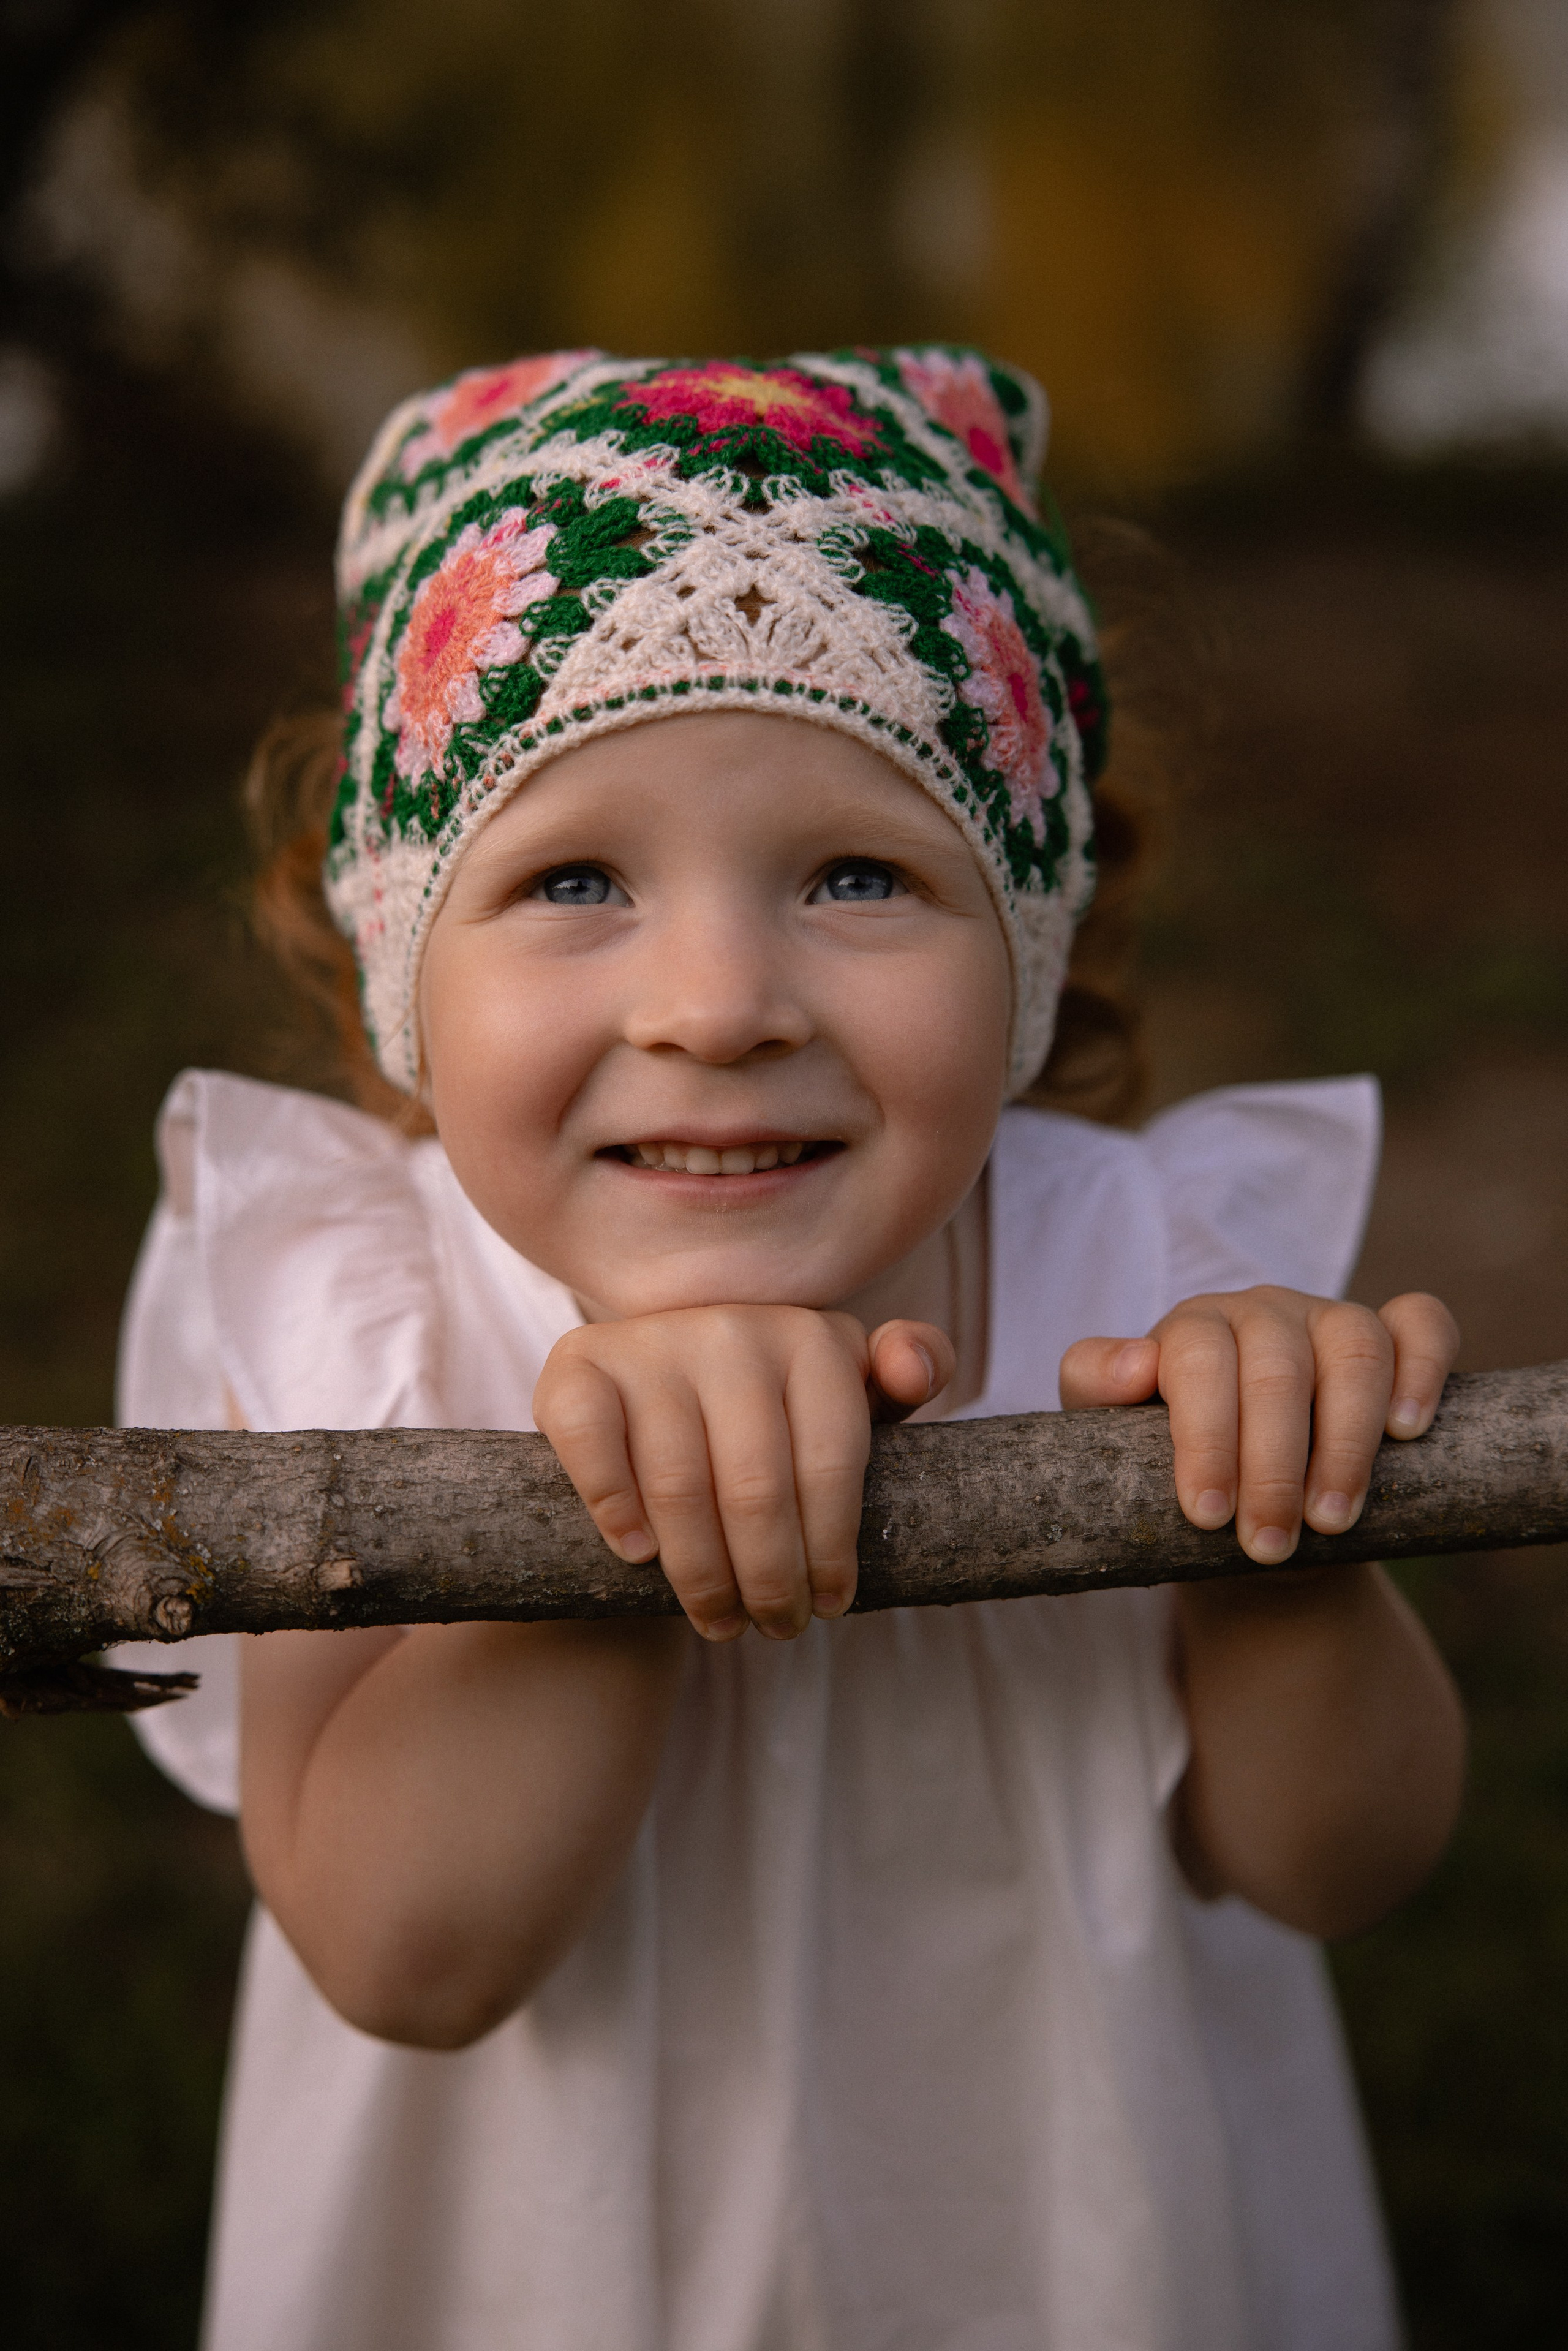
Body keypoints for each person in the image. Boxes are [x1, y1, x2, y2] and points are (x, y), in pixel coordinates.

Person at [113, 347, 1465, 2351]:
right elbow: (406, 1952)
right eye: (574, 878)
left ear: (1024, 946)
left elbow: (1331, 1867)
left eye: (858, 876)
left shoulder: (1142, 1279)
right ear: (406, 960)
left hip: (1066, 2263)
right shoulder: (352, 1311)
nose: (720, 1000)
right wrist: (616, 1545)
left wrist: (1288, 1528)